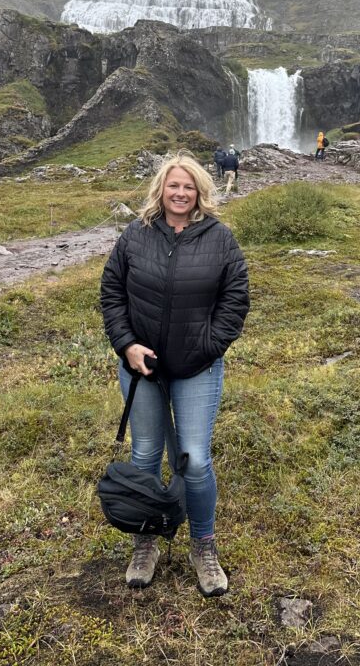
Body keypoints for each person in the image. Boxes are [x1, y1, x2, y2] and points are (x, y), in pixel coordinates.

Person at [100, 152, 249, 596]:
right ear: (160, 191)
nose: (180, 193)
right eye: (173, 186)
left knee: (195, 459)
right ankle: (146, 540)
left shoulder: (220, 239)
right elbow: (111, 292)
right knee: (145, 455)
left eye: (188, 187)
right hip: (140, 367)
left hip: (196, 367)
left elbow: (235, 300)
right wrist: (127, 345)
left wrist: (205, 347)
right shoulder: (135, 234)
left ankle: (202, 544)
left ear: (200, 191)